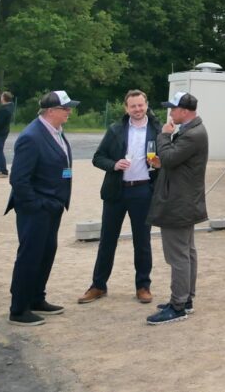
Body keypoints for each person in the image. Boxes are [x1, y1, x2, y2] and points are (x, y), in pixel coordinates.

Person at [78, 90, 162, 306]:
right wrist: (114, 165)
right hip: (117, 191)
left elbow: (168, 159)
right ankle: (98, 285)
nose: (137, 109)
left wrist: (160, 164)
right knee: (107, 240)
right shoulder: (115, 130)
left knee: (142, 241)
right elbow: (98, 158)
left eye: (140, 105)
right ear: (126, 108)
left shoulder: (157, 130)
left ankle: (143, 286)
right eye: (133, 106)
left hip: (143, 191)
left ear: (146, 105)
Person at [5, 90, 77, 326]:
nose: (69, 111)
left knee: (46, 254)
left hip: (52, 206)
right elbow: (19, 179)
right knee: (30, 256)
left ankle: (36, 298)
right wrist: (36, 206)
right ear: (50, 111)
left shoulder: (55, 131)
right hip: (37, 209)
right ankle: (18, 309)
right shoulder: (32, 136)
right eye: (65, 108)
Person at [146, 91, 208, 325]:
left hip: (179, 203)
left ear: (184, 111)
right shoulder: (192, 130)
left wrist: (163, 136)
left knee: (178, 256)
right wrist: (164, 160)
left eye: (173, 108)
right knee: (187, 252)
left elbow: (171, 158)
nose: (170, 113)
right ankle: (186, 299)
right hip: (184, 201)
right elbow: (175, 161)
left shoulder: (192, 133)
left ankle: (178, 305)